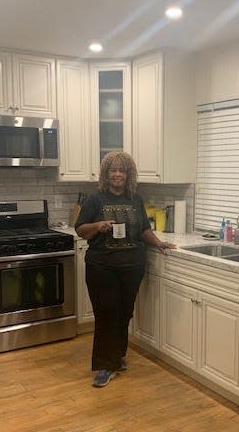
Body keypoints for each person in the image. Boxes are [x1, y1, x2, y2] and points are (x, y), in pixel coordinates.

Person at [75, 151, 176, 387]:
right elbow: (79, 229)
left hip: (132, 265)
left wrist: (158, 242)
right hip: (102, 266)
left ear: (129, 174)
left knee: (124, 313)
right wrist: (98, 226)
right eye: (113, 170)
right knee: (106, 315)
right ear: (106, 173)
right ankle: (103, 365)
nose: (118, 174)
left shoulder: (136, 199)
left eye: (122, 170)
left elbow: (143, 229)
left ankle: (117, 357)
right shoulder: (96, 199)